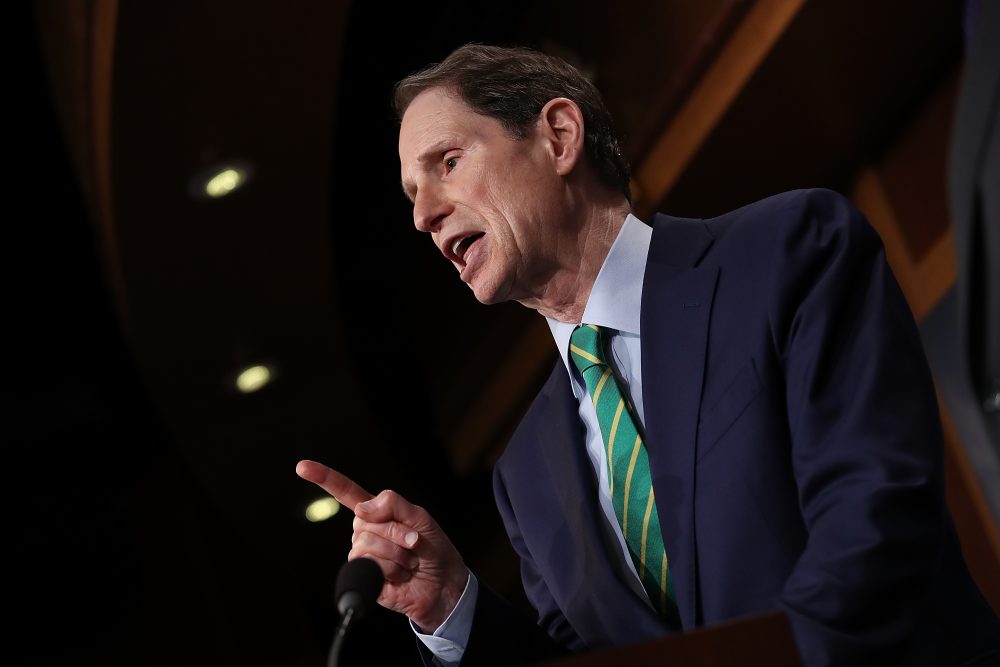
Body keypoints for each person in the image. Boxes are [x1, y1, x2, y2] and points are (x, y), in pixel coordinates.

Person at [297, 43, 1000, 666]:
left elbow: (873, 519)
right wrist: (453, 603)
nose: (424, 214)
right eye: (413, 197)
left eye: (447, 163)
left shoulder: (788, 252)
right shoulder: (527, 474)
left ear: (560, 136)